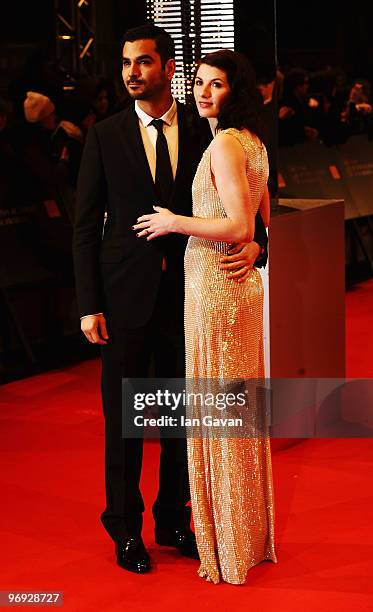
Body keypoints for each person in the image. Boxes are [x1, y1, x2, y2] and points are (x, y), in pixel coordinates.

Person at [73, 25, 268, 575]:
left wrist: (258, 244)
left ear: (168, 66)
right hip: (125, 298)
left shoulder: (211, 132)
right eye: (127, 63)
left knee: (181, 418)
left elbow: (246, 202)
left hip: (191, 301)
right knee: (126, 423)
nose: (132, 72)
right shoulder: (105, 136)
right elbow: (85, 227)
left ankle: (173, 519)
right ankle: (125, 527)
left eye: (143, 62)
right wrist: (89, 303)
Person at [134, 49, 277, 584]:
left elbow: (241, 226)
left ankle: (230, 547)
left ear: (234, 91)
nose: (202, 92)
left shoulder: (223, 143)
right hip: (233, 290)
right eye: (198, 82)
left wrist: (175, 222)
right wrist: (258, 250)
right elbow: (262, 223)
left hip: (217, 293)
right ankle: (246, 538)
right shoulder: (252, 143)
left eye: (215, 85)